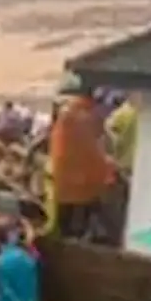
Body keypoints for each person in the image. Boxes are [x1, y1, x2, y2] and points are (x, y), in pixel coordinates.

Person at [49, 89, 115, 243]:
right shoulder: (91, 116)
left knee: (64, 215)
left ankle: (63, 237)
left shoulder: (67, 115)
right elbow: (101, 143)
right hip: (87, 180)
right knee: (84, 213)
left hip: (64, 177)